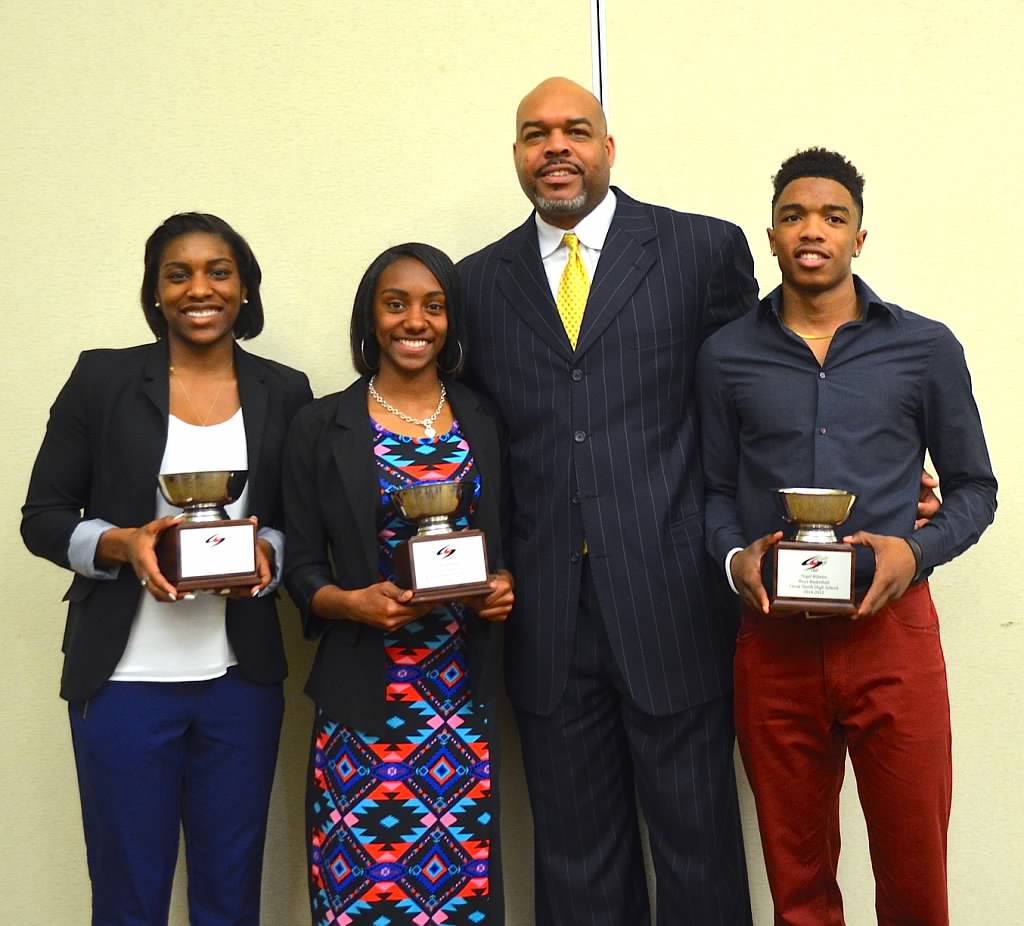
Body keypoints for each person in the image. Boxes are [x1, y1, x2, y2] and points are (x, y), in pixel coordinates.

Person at [456, 76, 758, 925]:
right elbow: (461, 435)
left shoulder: (701, 251)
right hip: (545, 618)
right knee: (577, 861)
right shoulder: (476, 284)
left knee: (698, 850)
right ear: (517, 154)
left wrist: (868, 468)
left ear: (608, 147)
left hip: (675, 602)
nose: (556, 147)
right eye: (535, 133)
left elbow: (755, 395)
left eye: (575, 130)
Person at [696, 148, 997, 925]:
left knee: (915, 875)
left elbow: (975, 489)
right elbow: (715, 492)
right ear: (770, 236)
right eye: (795, 215)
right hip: (773, 646)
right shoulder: (727, 354)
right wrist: (737, 561)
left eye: (833, 217)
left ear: (859, 239)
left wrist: (917, 551)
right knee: (798, 885)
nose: (813, 230)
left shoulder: (925, 348)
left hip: (892, 635)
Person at [20, 212, 313, 925]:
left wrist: (267, 552)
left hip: (238, 684)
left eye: (218, 271)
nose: (198, 289)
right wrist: (124, 543)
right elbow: (44, 517)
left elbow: (298, 522)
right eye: (177, 274)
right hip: (122, 683)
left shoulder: (285, 389)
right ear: (155, 292)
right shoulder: (103, 378)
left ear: (245, 288)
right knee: (129, 896)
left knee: (229, 890)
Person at [282, 243, 514, 926]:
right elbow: (299, 567)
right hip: (364, 703)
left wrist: (501, 586)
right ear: (370, 316)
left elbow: (507, 541)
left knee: (458, 900)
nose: (415, 320)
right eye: (396, 303)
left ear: (452, 320)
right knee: (361, 897)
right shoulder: (321, 425)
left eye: (434, 306)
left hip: (458, 700)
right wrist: (346, 603)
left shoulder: (484, 419)